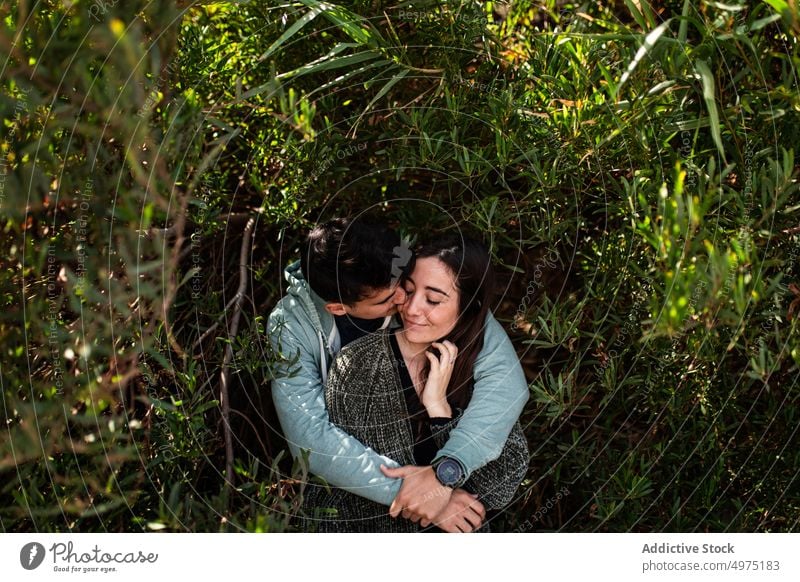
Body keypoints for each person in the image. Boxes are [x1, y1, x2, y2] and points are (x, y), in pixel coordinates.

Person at [268, 218, 528, 531]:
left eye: (403, 285)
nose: (406, 302)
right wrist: (424, 495)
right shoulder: (292, 328)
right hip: (359, 502)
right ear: (338, 308)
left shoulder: (423, 287)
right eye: (389, 298)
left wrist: (447, 469)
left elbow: (505, 384)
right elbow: (310, 440)